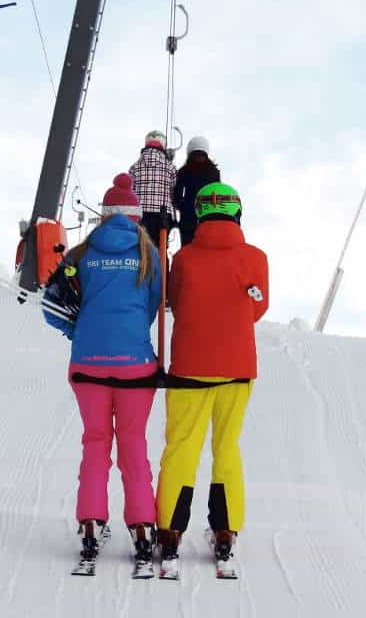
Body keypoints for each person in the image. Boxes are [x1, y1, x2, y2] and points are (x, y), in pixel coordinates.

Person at [42, 173, 163, 572]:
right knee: (133, 445)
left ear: (104, 215)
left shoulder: (81, 253)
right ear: (135, 216)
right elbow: (152, 307)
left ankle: (91, 523)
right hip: (135, 367)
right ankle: (143, 527)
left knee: (96, 443)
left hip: (88, 365)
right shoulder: (149, 254)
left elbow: (51, 306)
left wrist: (80, 330)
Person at [155, 181, 269, 571]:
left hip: (189, 367)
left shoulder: (185, 258)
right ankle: (225, 532)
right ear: (238, 212)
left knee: (182, 448)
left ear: (199, 214)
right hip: (237, 370)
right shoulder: (257, 258)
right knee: (227, 449)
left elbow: (175, 302)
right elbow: (257, 310)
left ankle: (170, 532)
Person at [129, 130, 177, 244]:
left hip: (140, 216)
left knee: (141, 248)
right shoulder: (170, 167)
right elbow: (175, 192)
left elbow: (130, 193)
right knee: (161, 249)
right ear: (163, 145)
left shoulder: (134, 167)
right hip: (163, 216)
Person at [172, 136, 221, 246]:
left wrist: (184, 208)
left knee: (188, 251)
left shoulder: (183, 171)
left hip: (188, 219)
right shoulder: (214, 172)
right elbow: (217, 195)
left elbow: (176, 196)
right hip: (209, 217)